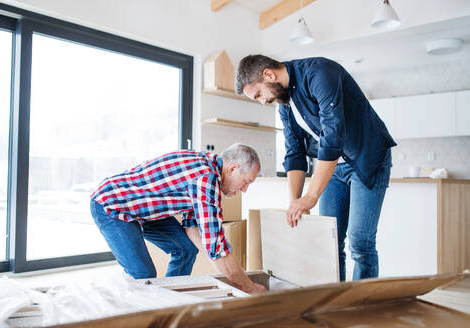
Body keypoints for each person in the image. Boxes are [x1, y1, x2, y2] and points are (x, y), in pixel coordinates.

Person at [236, 55, 396, 281]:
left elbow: (332, 138)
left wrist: (311, 196)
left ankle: (362, 305)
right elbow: (295, 153)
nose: (263, 101)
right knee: (331, 242)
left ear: (269, 75)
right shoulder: (285, 104)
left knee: (360, 242)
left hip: (367, 157)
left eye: (259, 94)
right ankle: (336, 302)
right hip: (334, 168)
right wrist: (296, 201)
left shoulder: (319, 73)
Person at [90, 143, 267, 293]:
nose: (244, 189)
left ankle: (169, 302)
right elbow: (216, 246)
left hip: (143, 210)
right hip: (112, 204)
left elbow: (193, 229)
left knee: (186, 249)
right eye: (246, 182)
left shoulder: (206, 168)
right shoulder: (205, 179)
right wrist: (248, 286)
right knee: (143, 274)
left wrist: (222, 265)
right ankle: (139, 317)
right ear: (233, 168)